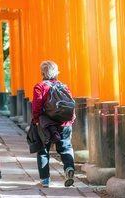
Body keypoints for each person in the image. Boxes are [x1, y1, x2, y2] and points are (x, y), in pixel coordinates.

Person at [32, 60, 76, 188]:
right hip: (64, 123)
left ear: (42, 73)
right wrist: (70, 120)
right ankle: (68, 168)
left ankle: (45, 179)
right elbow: (70, 104)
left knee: (43, 149)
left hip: (47, 124)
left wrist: (36, 121)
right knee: (66, 147)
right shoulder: (64, 87)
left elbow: (37, 107)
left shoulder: (40, 87)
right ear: (56, 72)